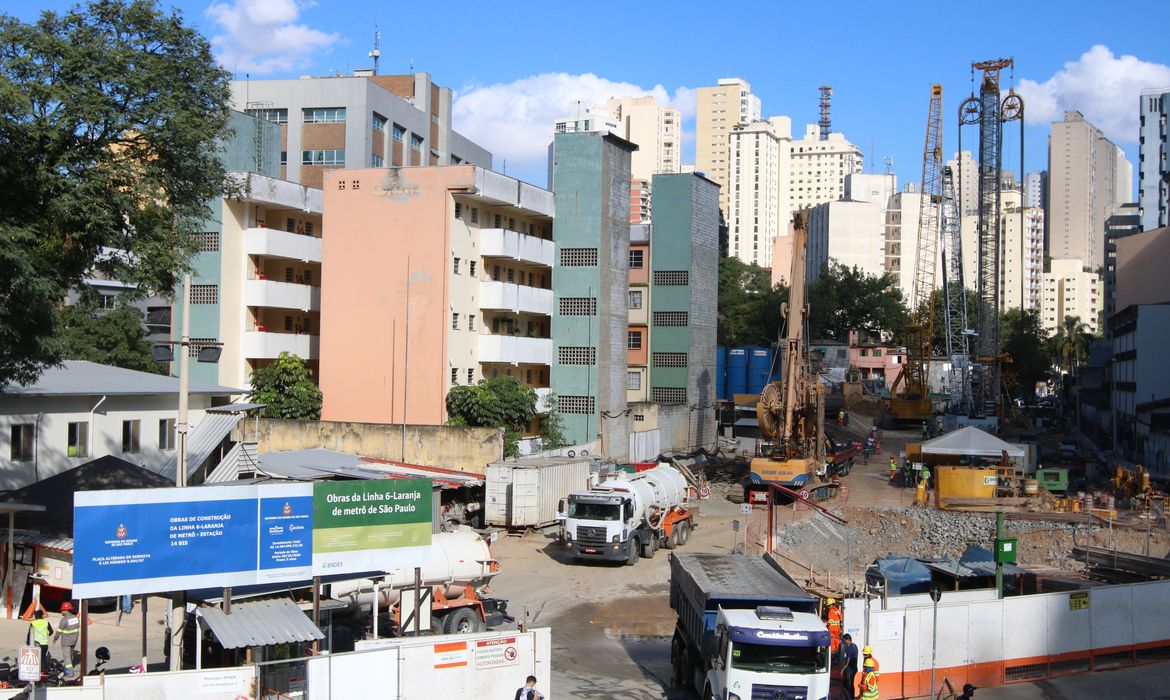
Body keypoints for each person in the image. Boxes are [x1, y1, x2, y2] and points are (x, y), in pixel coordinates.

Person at [55, 602, 80, 672]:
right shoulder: (76, 618)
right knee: (71, 654)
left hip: (66, 641)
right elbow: (77, 627)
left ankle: (69, 671)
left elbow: (59, 631)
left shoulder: (64, 620)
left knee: (67, 656)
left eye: (62, 610)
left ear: (66, 610)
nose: (61, 611)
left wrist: (55, 638)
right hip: (74, 639)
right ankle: (70, 665)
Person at [840, 633, 859, 700]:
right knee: (850, 685)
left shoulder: (849, 648)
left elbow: (848, 661)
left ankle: (849, 698)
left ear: (848, 640)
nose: (843, 642)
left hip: (849, 670)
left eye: (844, 640)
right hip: (854, 669)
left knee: (847, 686)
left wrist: (842, 670)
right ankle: (851, 697)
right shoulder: (855, 646)